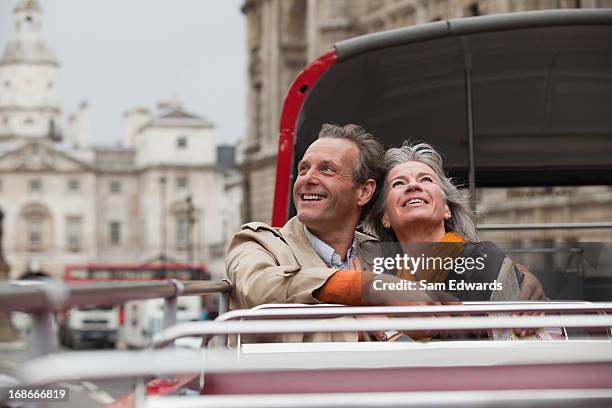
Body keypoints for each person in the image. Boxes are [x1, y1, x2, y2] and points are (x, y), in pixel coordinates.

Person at [365, 141, 547, 338]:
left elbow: (518, 338)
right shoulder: (385, 278)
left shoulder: (482, 259)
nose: (413, 186)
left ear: (446, 209)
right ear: (385, 218)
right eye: (398, 183)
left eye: (426, 179)